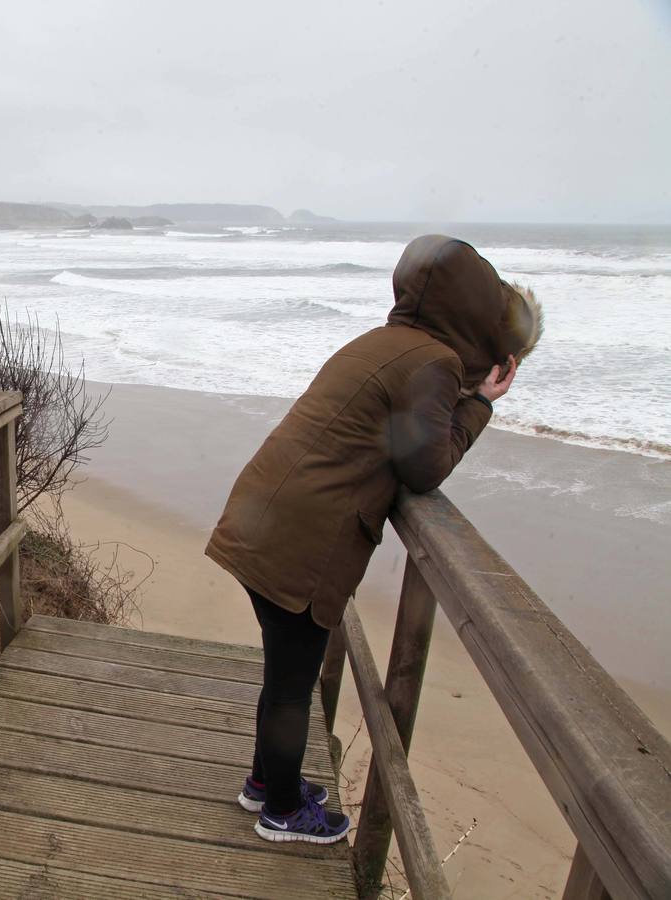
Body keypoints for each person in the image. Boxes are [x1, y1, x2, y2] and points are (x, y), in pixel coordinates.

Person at [205, 235, 543, 844]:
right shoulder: (434, 365)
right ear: (476, 321)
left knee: (285, 674)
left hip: (264, 517)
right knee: (290, 683)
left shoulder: (386, 343)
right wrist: (482, 404)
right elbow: (424, 466)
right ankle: (281, 810)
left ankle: (265, 780)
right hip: (299, 542)